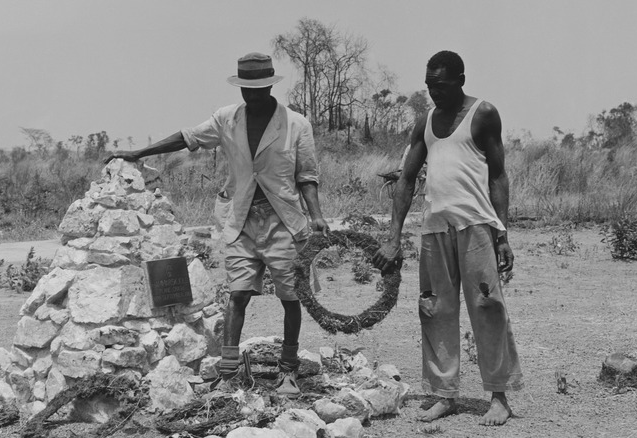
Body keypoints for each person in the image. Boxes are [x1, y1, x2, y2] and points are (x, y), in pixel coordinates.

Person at [106, 52, 328, 397]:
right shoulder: (227, 119)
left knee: (290, 296)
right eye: (246, 89)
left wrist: (316, 216)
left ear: (269, 85)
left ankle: (288, 371)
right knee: (238, 294)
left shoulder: (296, 124)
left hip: (283, 223)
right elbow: (187, 137)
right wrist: (139, 153)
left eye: (258, 89)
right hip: (240, 221)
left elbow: (307, 176)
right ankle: (227, 371)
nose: (251, 95)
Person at [372, 50, 523, 426]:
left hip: (476, 227)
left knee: (488, 307)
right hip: (435, 229)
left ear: (460, 80)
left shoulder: (483, 114)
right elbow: (406, 180)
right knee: (435, 310)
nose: (434, 93)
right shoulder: (426, 122)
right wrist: (393, 236)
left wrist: (502, 234)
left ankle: (499, 396)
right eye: (428, 86)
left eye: (440, 86)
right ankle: (444, 393)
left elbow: (499, 176)